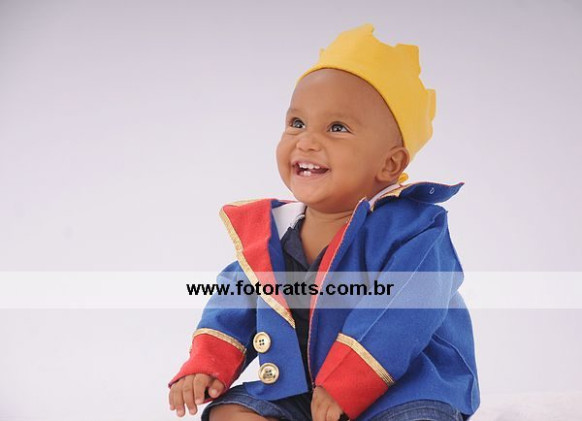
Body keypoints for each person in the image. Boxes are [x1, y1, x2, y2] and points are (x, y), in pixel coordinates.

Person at [167, 23, 480, 421]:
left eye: (337, 128)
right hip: (305, 389)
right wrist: (207, 364)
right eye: (297, 123)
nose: (307, 140)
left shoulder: (415, 230)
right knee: (230, 413)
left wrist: (346, 382)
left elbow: (402, 311)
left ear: (390, 163)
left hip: (406, 388)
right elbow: (235, 301)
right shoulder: (274, 233)